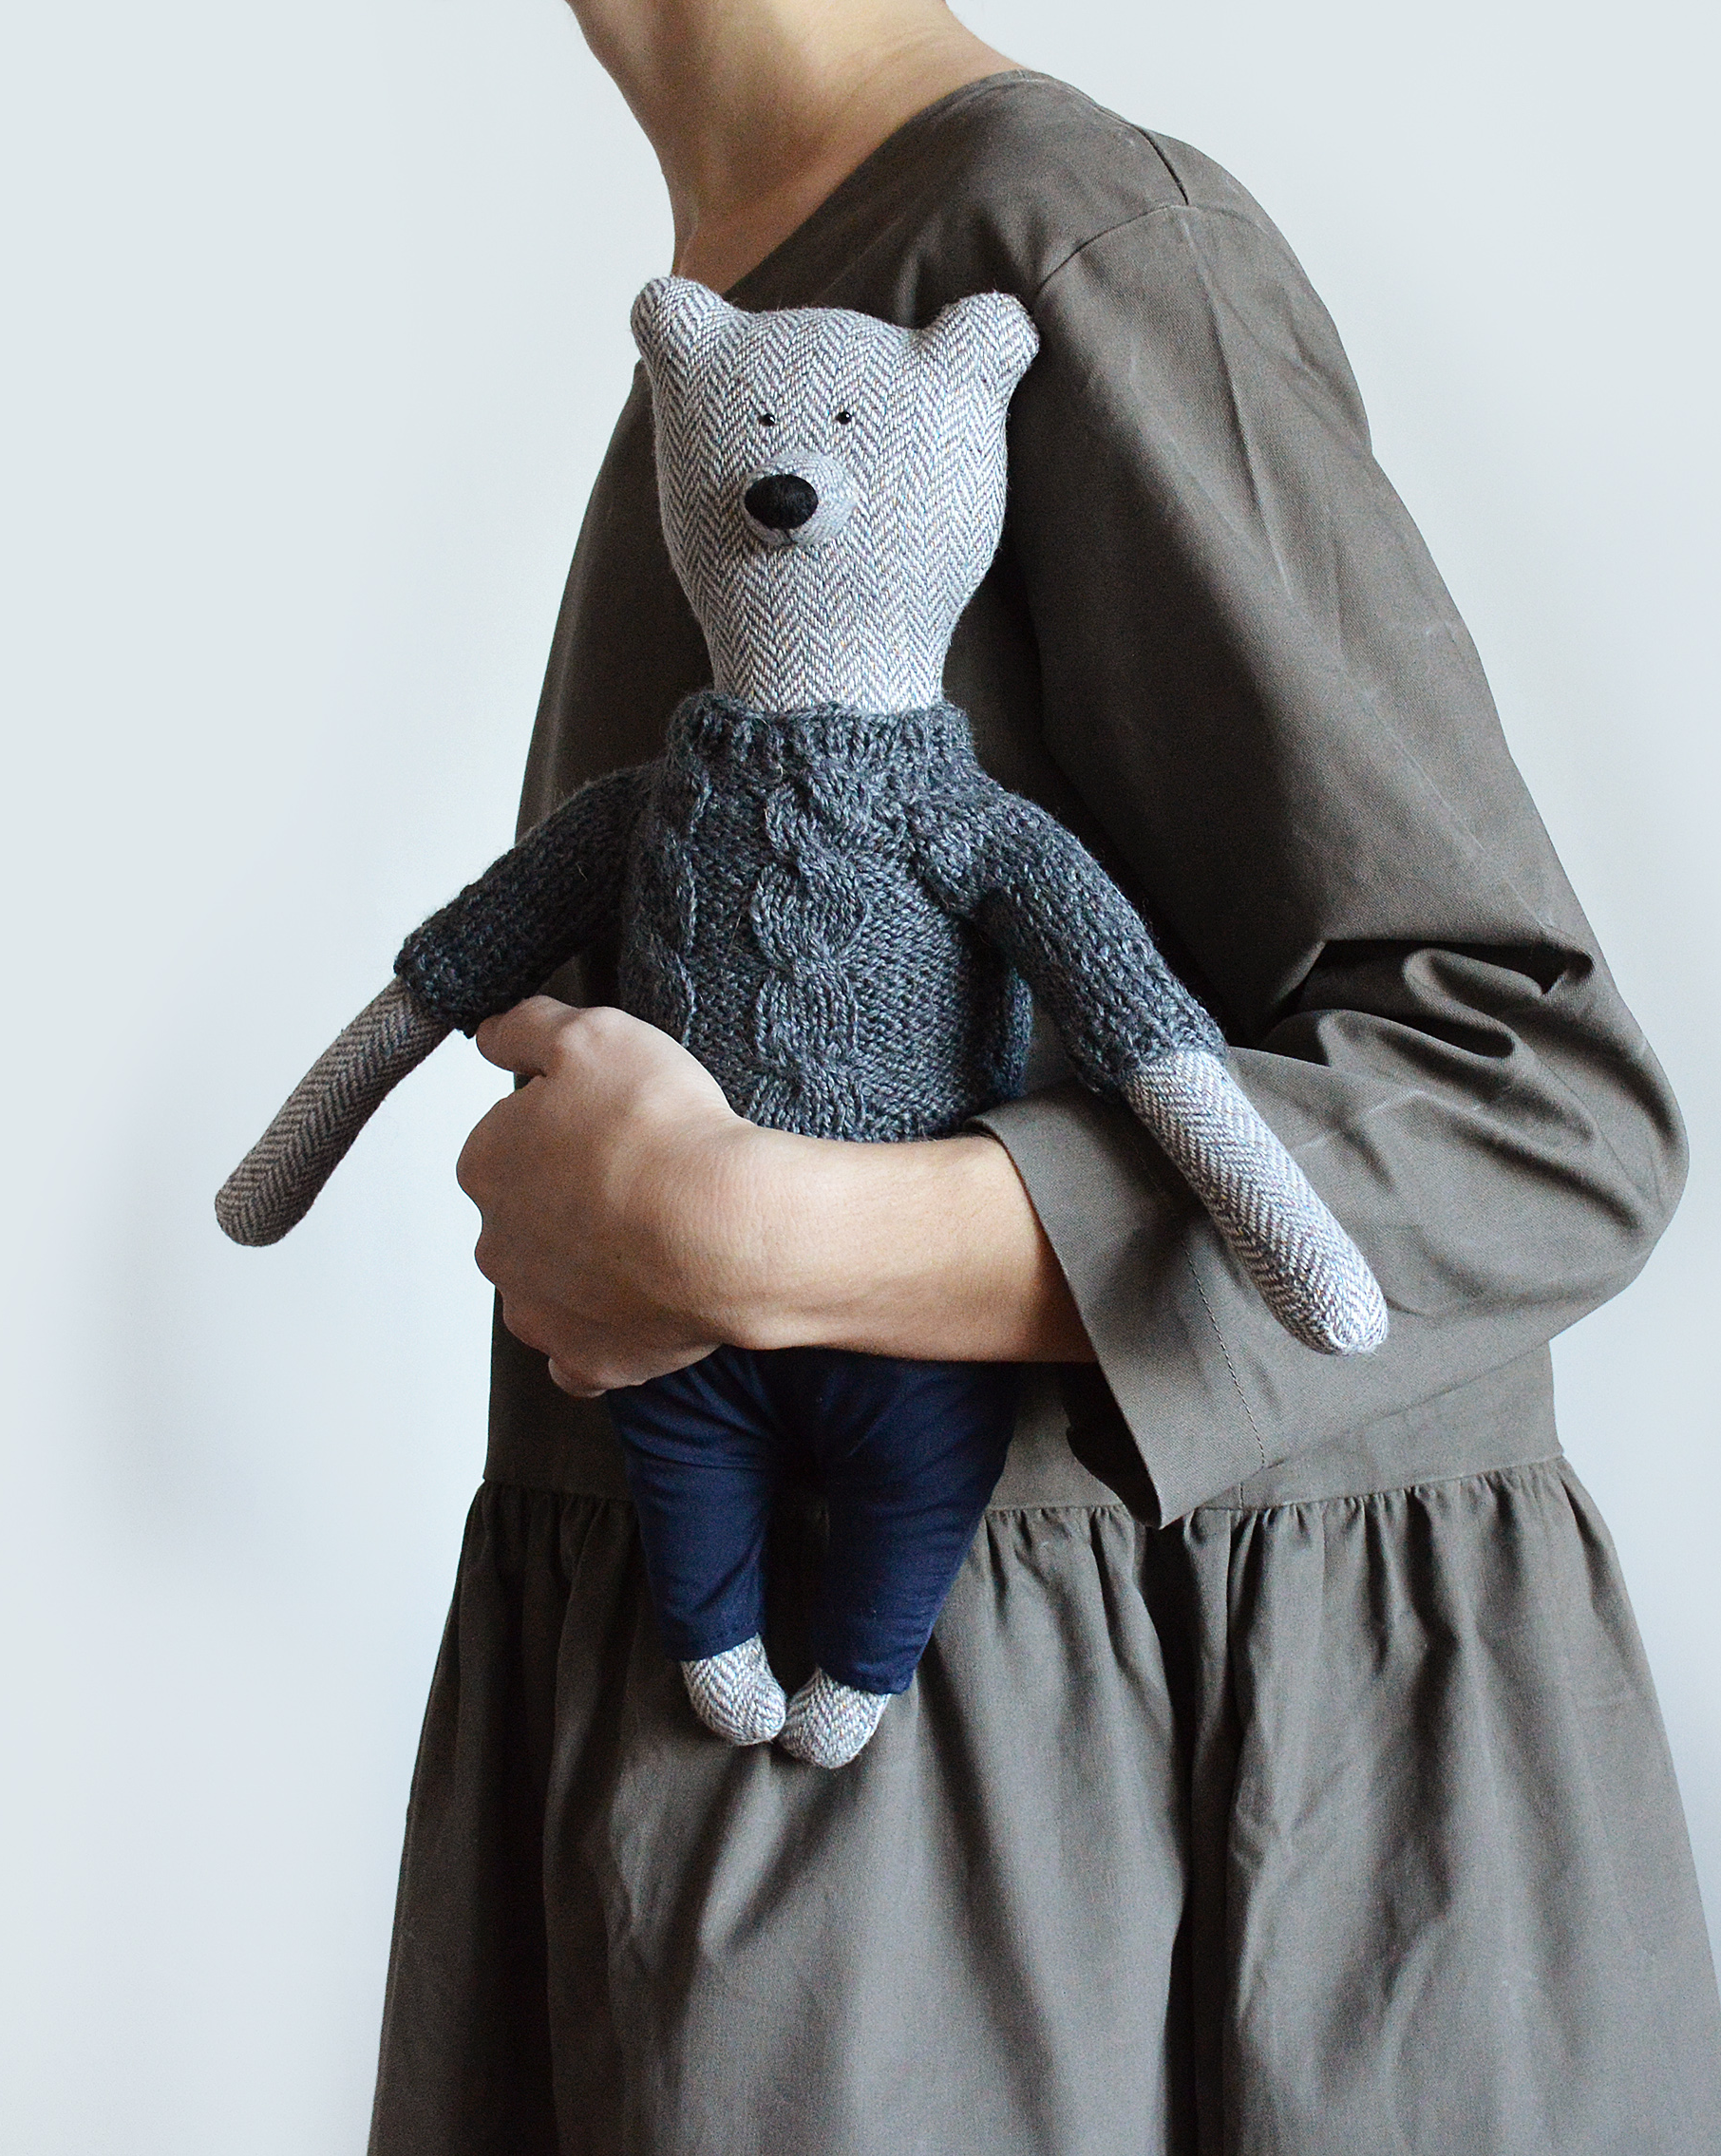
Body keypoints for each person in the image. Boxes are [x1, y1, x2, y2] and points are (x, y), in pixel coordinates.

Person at [365, 3, 1721, 2150]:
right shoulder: (758, 295)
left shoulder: (1076, 251)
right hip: (749, 1772)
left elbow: (1536, 1119)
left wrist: (765, 1232)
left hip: (1065, 1877)